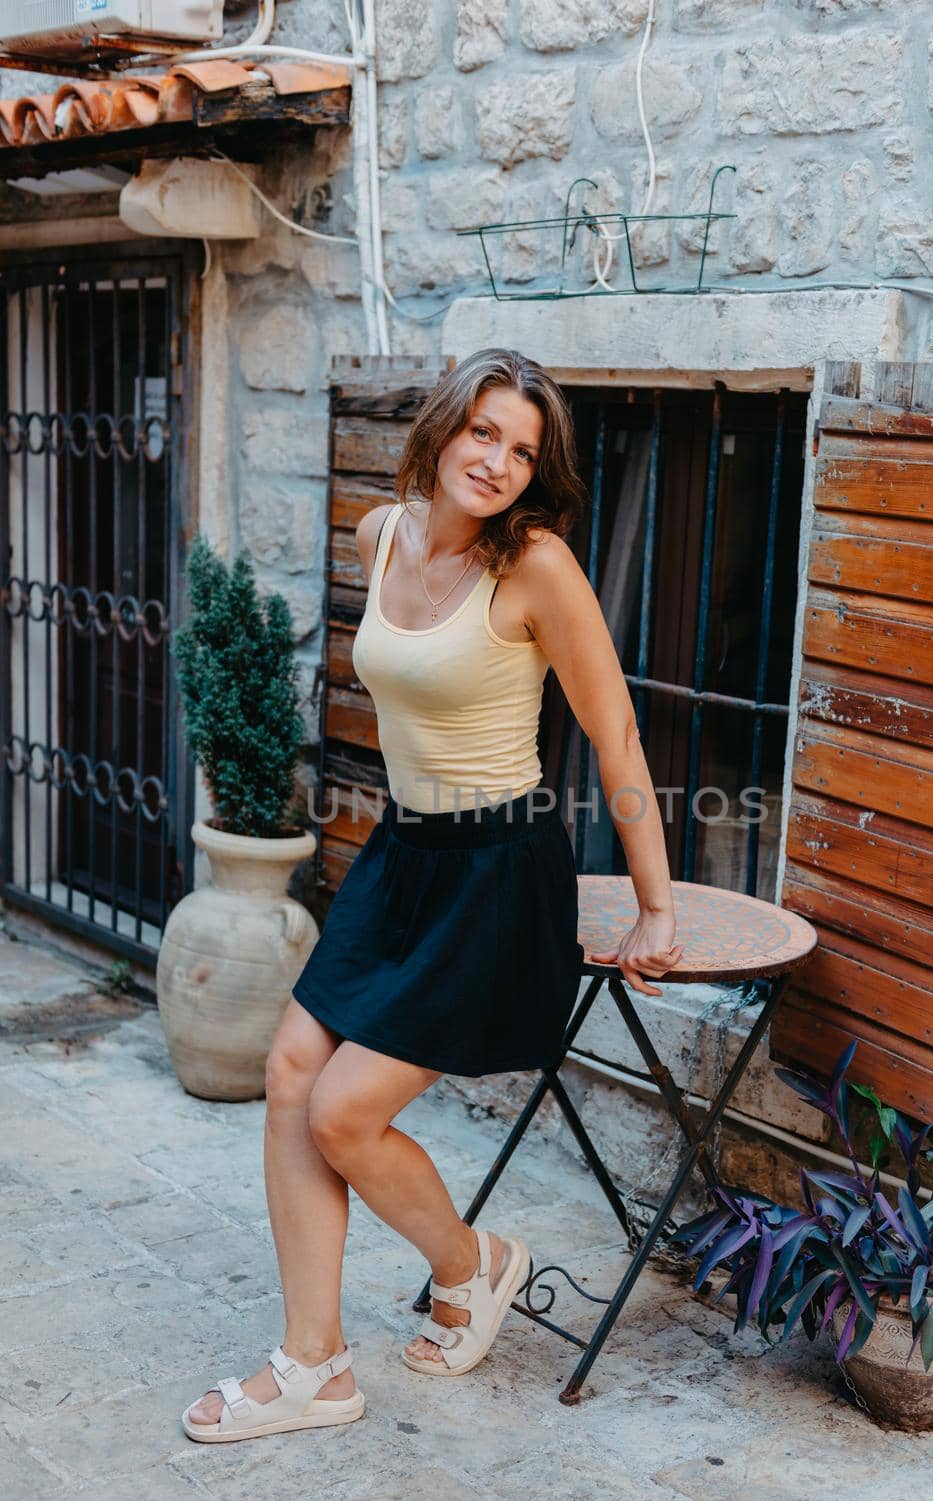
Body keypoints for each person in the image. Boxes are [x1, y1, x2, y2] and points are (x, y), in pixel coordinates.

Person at [181, 347, 683, 1443]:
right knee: (287, 1074)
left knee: (343, 1111)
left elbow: (616, 731)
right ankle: (317, 1364)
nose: (497, 460)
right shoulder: (383, 533)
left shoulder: (536, 567)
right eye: (483, 432)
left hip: (499, 870)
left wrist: (657, 905)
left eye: (523, 449)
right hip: (408, 850)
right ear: (446, 428)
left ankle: (472, 1263)